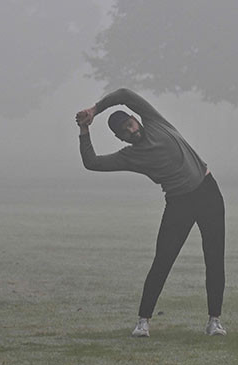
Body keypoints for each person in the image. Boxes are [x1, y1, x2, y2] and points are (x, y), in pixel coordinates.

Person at [75, 88, 226, 337]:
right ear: (121, 138)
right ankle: (143, 321)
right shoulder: (130, 156)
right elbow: (91, 162)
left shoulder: (155, 122)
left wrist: (95, 109)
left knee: (214, 256)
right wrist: (84, 129)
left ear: (135, 118)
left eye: (130, 124)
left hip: (208, 192)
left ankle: (214, 321)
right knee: (163, 260)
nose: (131, 131)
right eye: (125, 132)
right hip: (179, 202)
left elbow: (124, 94)